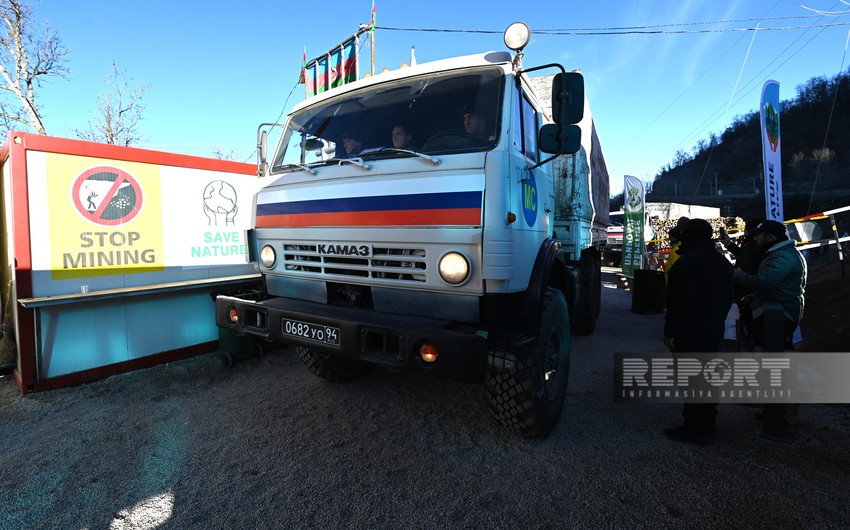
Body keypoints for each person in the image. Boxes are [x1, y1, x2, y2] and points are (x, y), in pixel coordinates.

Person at [733, 219, 807, 441]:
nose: (756, 238)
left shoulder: (782, 256)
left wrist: (736, 274)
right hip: (774, 313)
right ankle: (775, 411)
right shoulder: (779, 253)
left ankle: (784, 416)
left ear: (771, 238)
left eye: (759, 235)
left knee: (777, 362)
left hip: (779, 315)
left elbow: (764, 281)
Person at [663, 218, 734, 444]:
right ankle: (708, 424)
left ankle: (693, 428)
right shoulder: (722, 262)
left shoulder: (687, 263)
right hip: (713, 328)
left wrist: (670, 332)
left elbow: (679, 303)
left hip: (690, 331)